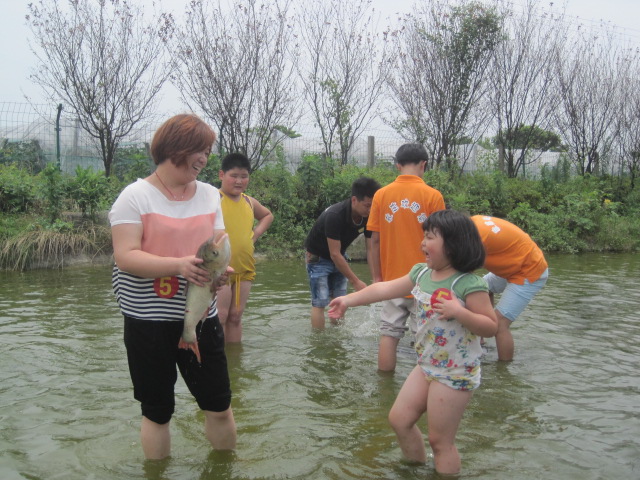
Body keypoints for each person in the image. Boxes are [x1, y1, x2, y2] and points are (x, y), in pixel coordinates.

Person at [328, 209, 497, 475]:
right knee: (399, 419)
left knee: (440, 441)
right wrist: (348, 300)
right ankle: (414, 468)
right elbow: (384, 288)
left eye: (430, 237)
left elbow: (491, 326)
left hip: (454, 372)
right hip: (426, 364)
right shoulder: (421, 273)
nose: (422, 244)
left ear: (453, 244)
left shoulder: (469, 284)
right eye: (424, 237)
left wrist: (460, 312)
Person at [109, 114, 236, 460]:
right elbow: (126, 256)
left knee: (219, 406)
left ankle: (226, 468)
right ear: (176, 148)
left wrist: (219, 275)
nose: (205, 159)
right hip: (148, 322)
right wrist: (180, 266)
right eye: (200, 150)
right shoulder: (134, 197)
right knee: (157, 411)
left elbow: (218, 247)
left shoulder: (210, 195)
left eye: (207, 152)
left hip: (200, 320)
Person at [367, 143, 446, 371]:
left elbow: (374, 239)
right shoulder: (433, 196)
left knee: (388, 334)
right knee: (423, 338)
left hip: (392, 279)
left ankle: (384, 387)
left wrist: (377, 278)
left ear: (398, 165)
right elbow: (440, 241)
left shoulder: (381, 195)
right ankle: (421, 390)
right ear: (424, 165)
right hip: (425, 279)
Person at [304, 176, 381, 328]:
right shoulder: (335, 215)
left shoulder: (367, 216)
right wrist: (356, 281)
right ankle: (319, 343)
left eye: (373, 206)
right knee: (320, 302)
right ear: (354, 200)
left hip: (340, 256)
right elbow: (334, 254)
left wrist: (375, 278)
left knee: (340, 300)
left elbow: (370, 247)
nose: (370, 210)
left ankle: (337, 338)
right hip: (318, 258)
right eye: (367, 205)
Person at [471, 215, 549, 361]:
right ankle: (480, 339)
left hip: (530, 271)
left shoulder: (476, 238)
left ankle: (504, 369)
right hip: (516, 263)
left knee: (500, 324)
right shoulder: (473, 223)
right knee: (481, 289)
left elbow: (464, 272)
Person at [217, 152, 274, 343]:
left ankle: (235, 361)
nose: (239, 181)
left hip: (245, 269)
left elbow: (267, 216)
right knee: (221, 316)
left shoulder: (249, 201)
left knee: (236, 315)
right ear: (221, 175)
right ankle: (220, 362)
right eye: (234, 176)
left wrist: (255, 234)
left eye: (244, 176)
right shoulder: (214, 199)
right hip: (220, 270)